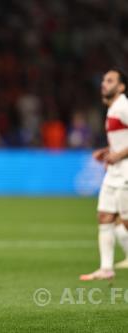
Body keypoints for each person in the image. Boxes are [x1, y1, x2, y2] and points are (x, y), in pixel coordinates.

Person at [80, 69, 128, 281]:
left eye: (109, 81)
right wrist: (108, 151)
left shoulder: (124, 107)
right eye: (103, 80)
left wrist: (118, 154)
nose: (104, 84)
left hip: (126, 170)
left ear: (121, 87)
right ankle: (106, 268)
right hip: (114, 171)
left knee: (125, 221)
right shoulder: (112, 109)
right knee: (105, 215)